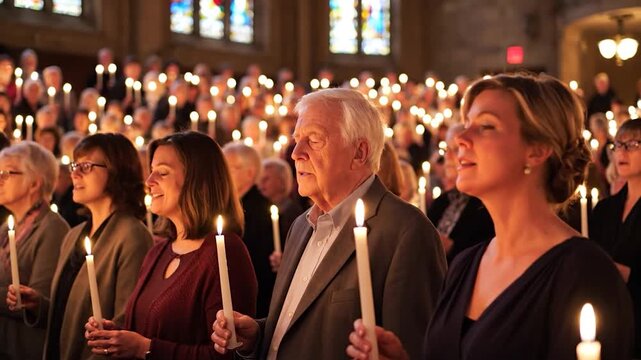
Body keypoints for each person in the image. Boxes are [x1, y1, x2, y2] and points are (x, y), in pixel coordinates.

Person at [347, 73, 634, 359]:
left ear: (537, 150)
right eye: (467, 123)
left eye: (485, 126)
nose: (459, 137)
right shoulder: (465, 265)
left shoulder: (583, 274)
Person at [212, 88, 446, 359]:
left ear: (359, 153)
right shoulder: (301, 226)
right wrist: (258, 334)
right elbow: (300, 323)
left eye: (313, 140)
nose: (296, 153)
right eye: (297, 140)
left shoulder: (406, 232)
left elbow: (412, 348)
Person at [83, 131, 257, 359]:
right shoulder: (159, 251)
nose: (149, 182)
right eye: (151, 171)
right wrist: (118, 337)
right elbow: (147, 331)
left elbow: (227, 354)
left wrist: (145, 348)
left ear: (198, 181)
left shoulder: (225, 253)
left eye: (162, 173)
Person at [6, 133, 153, 360]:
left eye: (86, 166)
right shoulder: (75, 235)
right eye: (75, 165)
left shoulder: (132, 236)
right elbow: (69, 314)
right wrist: (40, 306)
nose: (74, 173)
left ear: (116, 171)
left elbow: (124, 325)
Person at [0, 142, 69, 360]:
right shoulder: (6, 227)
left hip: (25, 350)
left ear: (34, 183)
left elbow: (37, 303)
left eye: (7, 173)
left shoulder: (52, 229)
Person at [590, 118, 641, 357]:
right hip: (610, 318)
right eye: (618, 145)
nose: (621, 152)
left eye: (632, 145)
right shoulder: (604, 209)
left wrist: (628, 273)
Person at [427, 124, 494, 263]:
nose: (448, 156)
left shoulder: (486, 205)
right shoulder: (443, 201)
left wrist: (452, 247)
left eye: (456, 149)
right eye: (446, 149)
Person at [222, 143, 275, 318]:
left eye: (231, 168)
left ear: (250, 173)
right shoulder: (228, 205)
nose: (224, 174)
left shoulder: (260, 209)